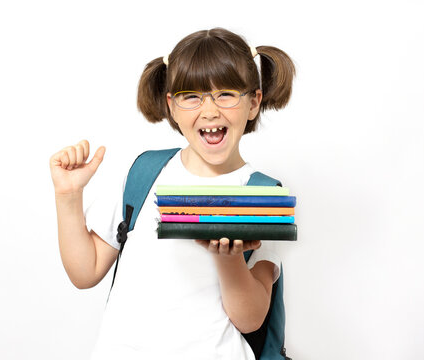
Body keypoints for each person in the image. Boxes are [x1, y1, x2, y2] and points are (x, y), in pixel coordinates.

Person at [49, 27, 295, 359]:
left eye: (226, 94)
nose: (209, 111)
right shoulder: (144, 173)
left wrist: (230, 259)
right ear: (172, 107)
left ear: (254, 102)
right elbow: (85, 271)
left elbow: (250, 320)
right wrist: (68, 198)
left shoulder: (264, 196)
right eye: (191, 96)